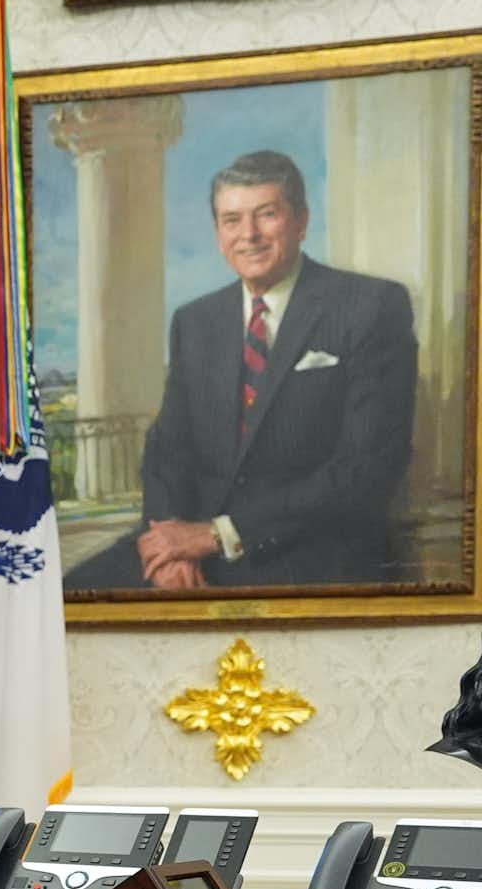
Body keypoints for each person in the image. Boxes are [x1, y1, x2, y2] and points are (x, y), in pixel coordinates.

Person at [68, 149, 417, 591]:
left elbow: (365, 467)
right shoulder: (195, 321)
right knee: (67, 599)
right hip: (194, 544)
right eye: (232, 220)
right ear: (219, 233)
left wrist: (218, 535)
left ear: (301, 221)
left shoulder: (369, 306)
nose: (248, 235)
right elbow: (167, 451)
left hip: (311, 548)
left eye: (266, 214)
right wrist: (169, 545)